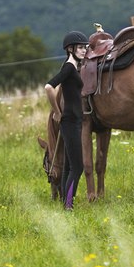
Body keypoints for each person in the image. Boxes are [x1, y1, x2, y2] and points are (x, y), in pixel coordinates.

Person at [44, 31, 88, 210]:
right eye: (80, 47)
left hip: (74, 121)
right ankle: (68, 206)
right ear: (70, 49)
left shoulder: (73, 66)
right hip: (69, 121)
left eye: (85, 47)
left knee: (70, 165)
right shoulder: (69, 67)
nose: (84, 50)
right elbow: (49, 87)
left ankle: (66, 203)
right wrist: (56, 111)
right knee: (78, 167)